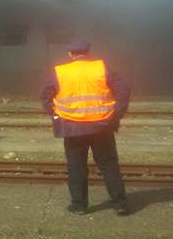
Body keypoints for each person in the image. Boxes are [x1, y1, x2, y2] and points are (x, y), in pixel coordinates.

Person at [40, 39, 130, 216]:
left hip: (72, 128)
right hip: (102, 126)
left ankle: (80, 205)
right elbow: (123, 90)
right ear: (88, 53)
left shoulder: (61, 71)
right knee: (108, 164)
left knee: (76, 166)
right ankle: (120, 203)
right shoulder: (100, 68)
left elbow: (45, 96)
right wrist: (115, 115)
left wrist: (57, 116)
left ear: (70, 54)